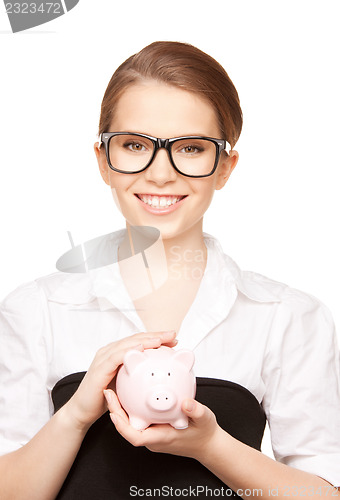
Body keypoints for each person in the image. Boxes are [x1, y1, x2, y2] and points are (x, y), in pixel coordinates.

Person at [0, 41, 339, 500]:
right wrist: (77, 413)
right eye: (135, 145)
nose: (160, 174)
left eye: (192, 148)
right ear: (103, 160)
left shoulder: (287, 316)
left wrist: (211, 446)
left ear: (225, 166)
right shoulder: (35, 309)